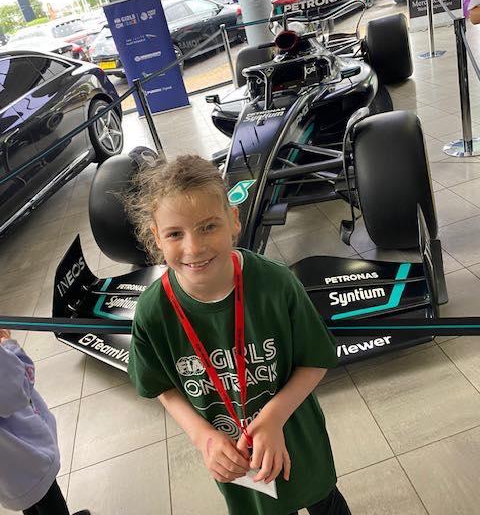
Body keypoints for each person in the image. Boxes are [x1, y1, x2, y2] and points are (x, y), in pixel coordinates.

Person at [127, 154, 350, 515]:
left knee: (326, 503)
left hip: (296, 436)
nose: (194, 248)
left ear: (233, 220)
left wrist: (274, 417)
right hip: (235, 458)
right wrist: (202, 436)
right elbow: (161, 386)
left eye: (208, 227)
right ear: (156, 237)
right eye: (175, 234)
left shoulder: (275, 284)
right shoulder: (154, 312)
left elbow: (315, 360)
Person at [0, 329, 91, 515]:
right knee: (48, 497)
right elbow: (18, 389)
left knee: (26, 499)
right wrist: (8, 345)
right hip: (24, 455)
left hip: (7, 471)